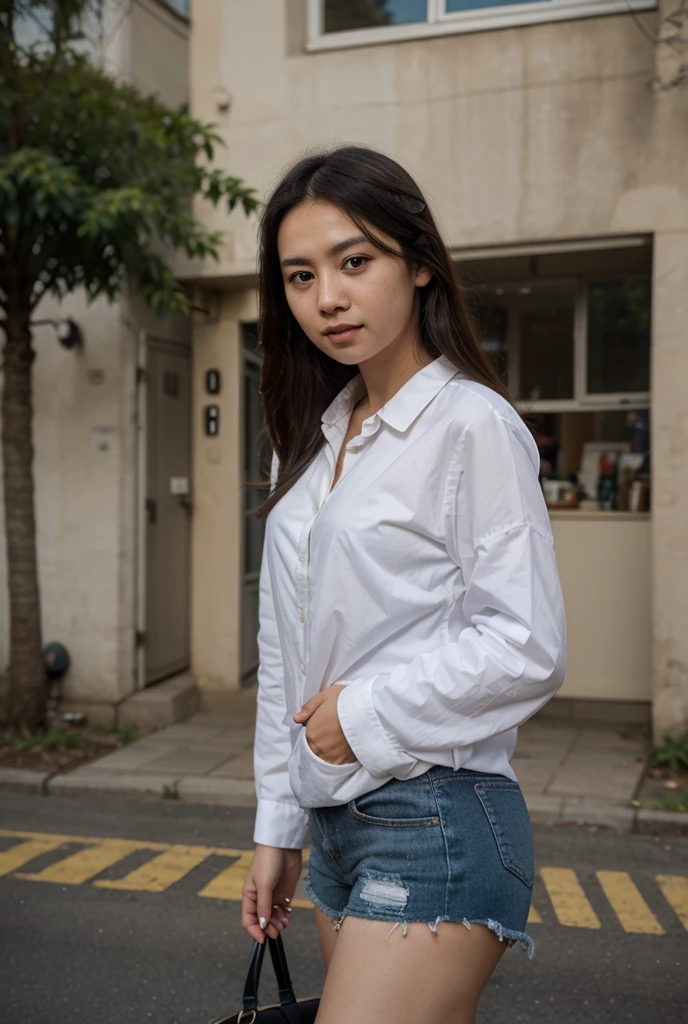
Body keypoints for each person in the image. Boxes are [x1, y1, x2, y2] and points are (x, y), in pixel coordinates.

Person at [241, 145, 567, 1024]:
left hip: (439, 819)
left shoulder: (470, 424)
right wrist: (279, 823)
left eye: (356, 262)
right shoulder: (310, 442)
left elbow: (528, 645)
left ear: (420, 263)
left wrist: (362, 715)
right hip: (337, 828)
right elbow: (285, 651)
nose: (328, 298)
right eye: (300, 276)